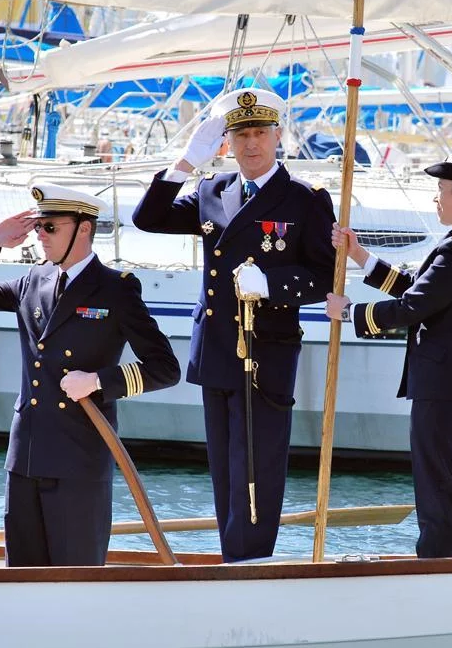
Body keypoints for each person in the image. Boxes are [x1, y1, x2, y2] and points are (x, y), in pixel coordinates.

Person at [133, 88, 336, 562]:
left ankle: (250, 565)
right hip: (217, 347)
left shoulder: (304, 199)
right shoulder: (213, 190)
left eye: (260, 133)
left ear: (277, 135)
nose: (251, 144)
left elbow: (327, 275)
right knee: (225, 470)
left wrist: (273, 284)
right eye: (241, 134)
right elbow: (148, 218)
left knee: (256, 470)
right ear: (226, 142)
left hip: (265, 351)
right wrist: (185, 164)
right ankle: (232, 561)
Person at [0, 183, 181, 566]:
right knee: (21, 576)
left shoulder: (116, 289)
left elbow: (165, 369)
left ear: (84, 229)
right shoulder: (32, 281)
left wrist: (98, 382)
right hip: (25, 456)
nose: (40, 236)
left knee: (75, 576)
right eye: (38, 227)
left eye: (50, 227)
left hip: (79, 460)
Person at [325, 155, 452, 559]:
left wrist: (349, 311)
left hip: (445, 390)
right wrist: (361, 257)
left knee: (438, 489)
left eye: (442, 192)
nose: (435, 200)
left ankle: (436, 570)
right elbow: (420, 292)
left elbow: (410, 309)